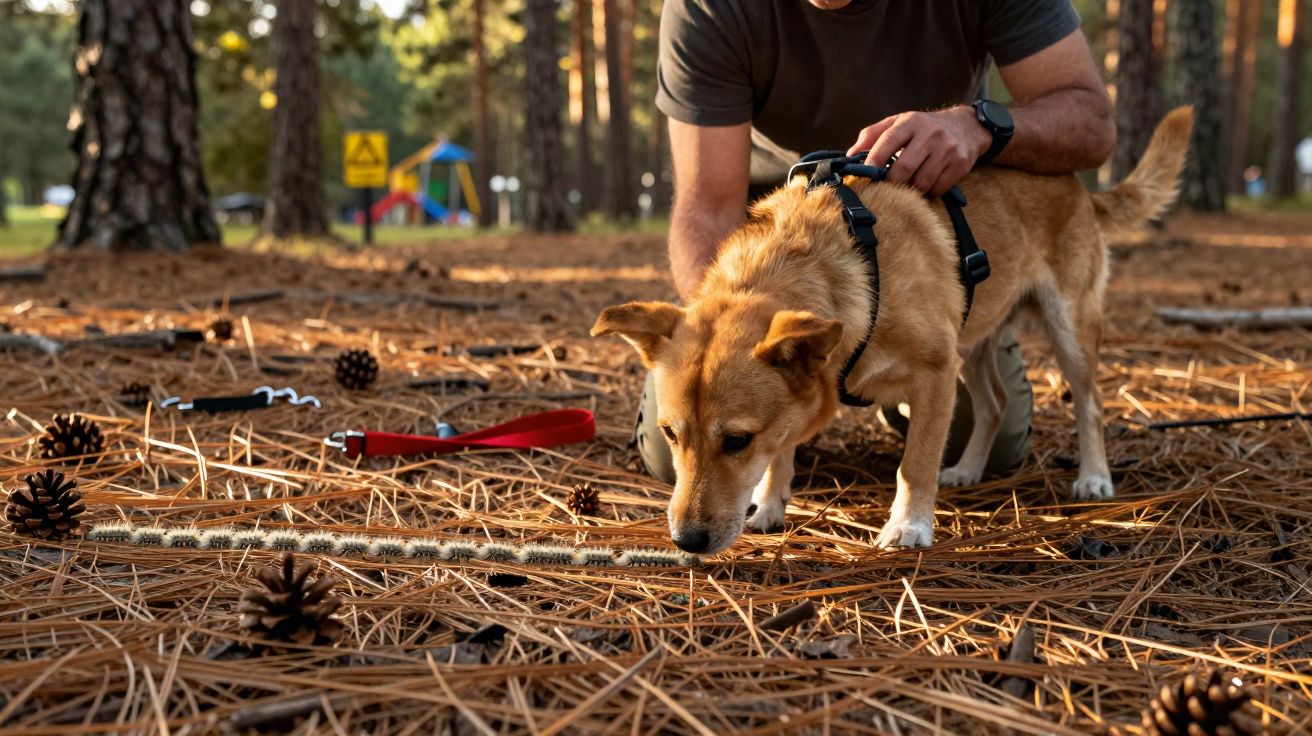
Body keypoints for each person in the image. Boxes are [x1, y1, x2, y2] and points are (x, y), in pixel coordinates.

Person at [632, 0, 1116, 487]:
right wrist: (734, 356)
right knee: (675, 442)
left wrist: (978, 126)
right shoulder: (711, 7)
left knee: (993, 447)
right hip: (776, 255)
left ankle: (894, 380)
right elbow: (709, 208)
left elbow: (1092, 124)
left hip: (934, 246)